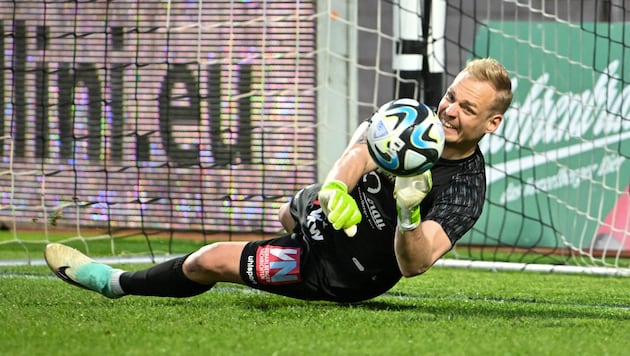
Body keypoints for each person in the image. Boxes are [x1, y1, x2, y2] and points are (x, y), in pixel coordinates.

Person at [45, 57, 513, 303]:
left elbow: (415, 264)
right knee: (287, 210)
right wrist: (333, 190)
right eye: (451, 96)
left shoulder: (467, 188)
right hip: (323, 215)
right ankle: (297, 222)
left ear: (490, 123)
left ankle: (114, 283)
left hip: (338, 270)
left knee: (210, 260)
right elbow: (358, 151)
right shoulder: (413, 119)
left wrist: (409, 213)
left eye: (467, 109)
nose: (448, 110)